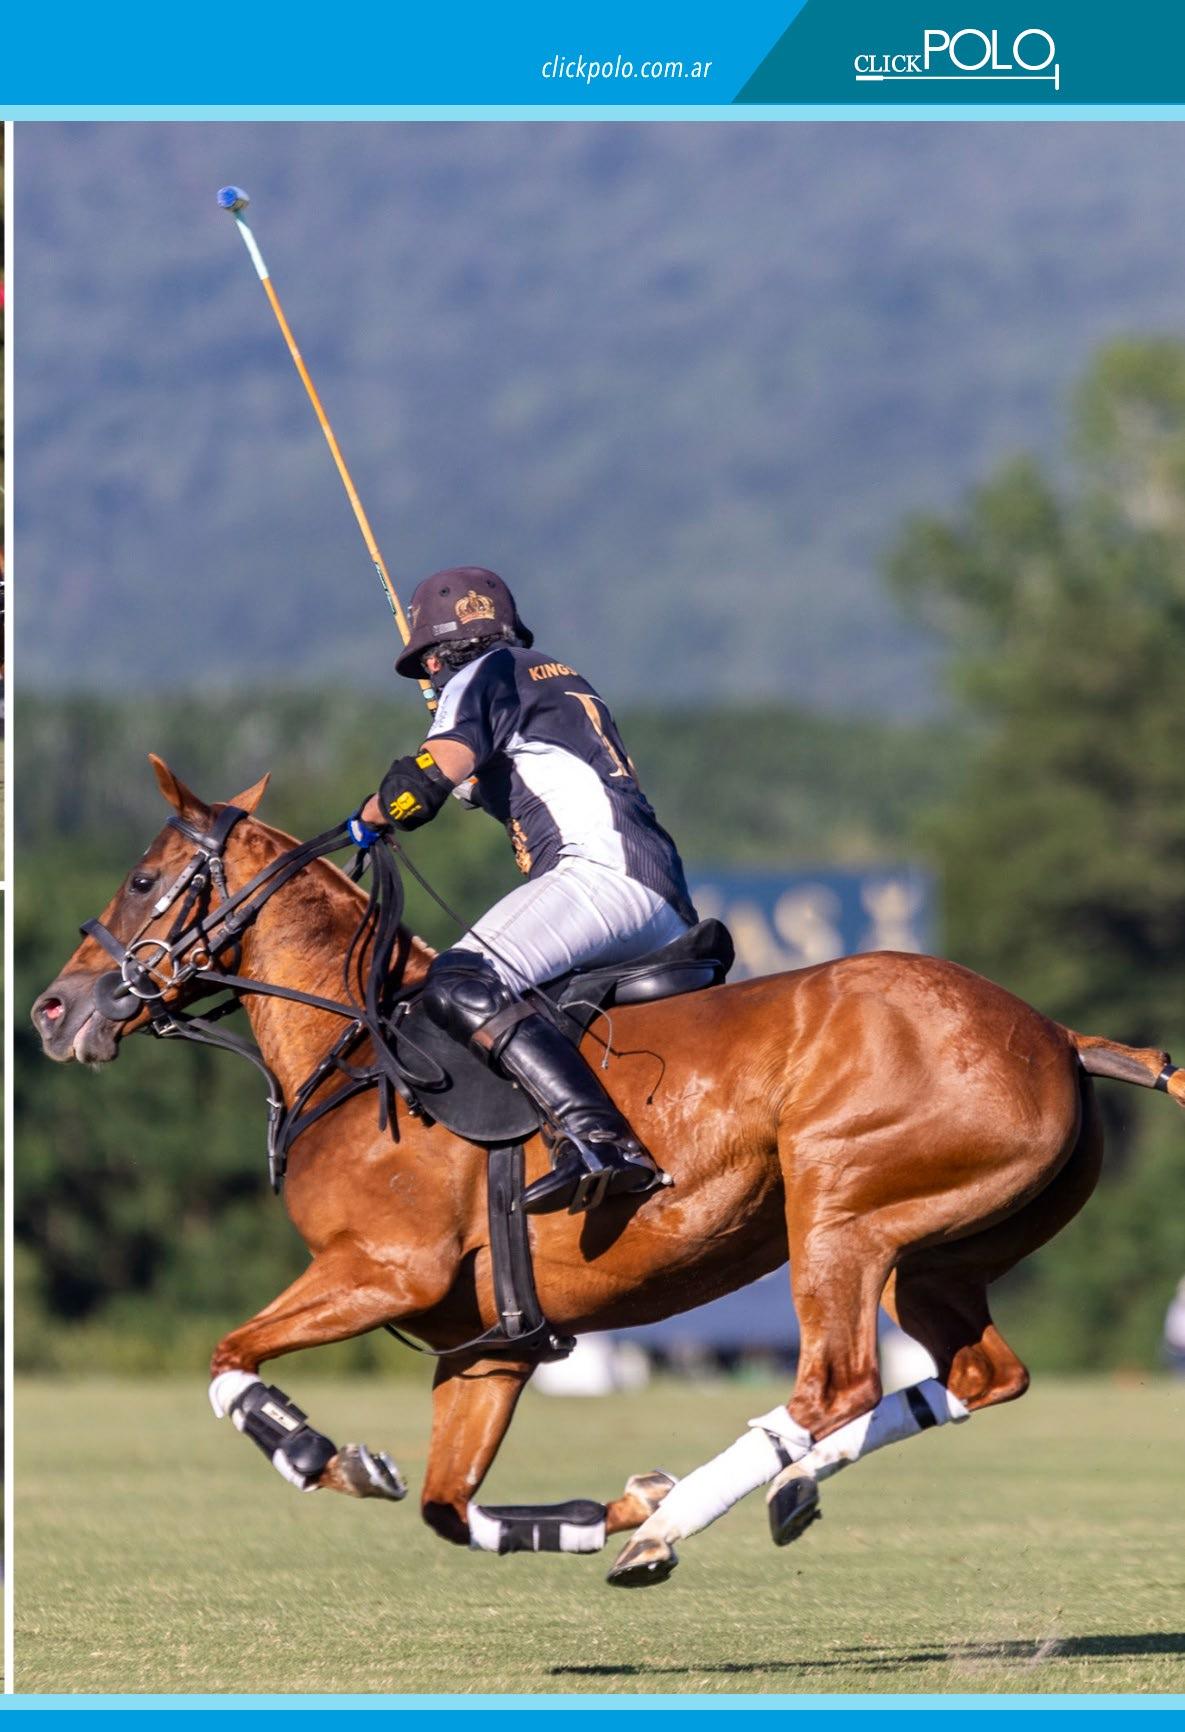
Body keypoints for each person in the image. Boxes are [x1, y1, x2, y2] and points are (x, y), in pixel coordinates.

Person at [351, 566, 697, 1215]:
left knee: (459, 979)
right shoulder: (546, 675)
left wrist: (367, 817)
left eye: (427, 664)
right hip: (662, 897)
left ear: (437, 653)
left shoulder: (479, 678)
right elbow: (500, 780)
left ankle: (594, 1138)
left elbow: (417, 790)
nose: (429, 676)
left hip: (599, 875)